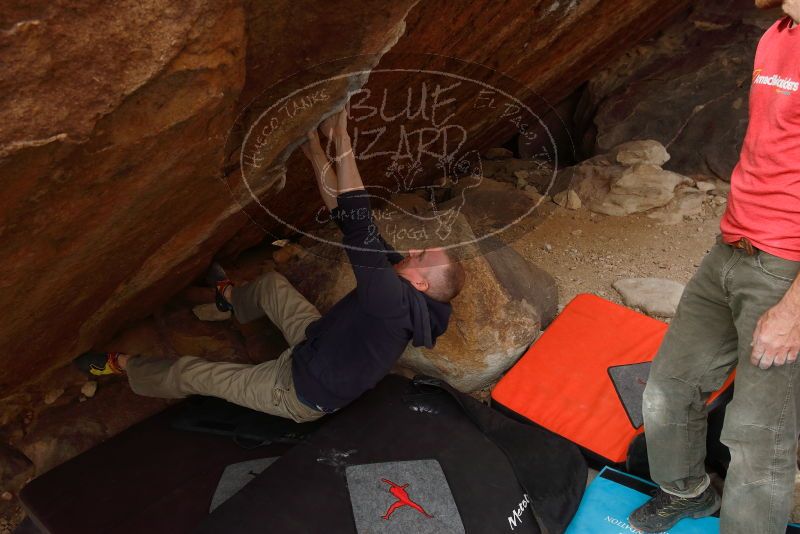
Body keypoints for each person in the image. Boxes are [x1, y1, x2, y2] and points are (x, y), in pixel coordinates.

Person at [76, 107, 465, 422]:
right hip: (317, 343)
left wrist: (342, 139)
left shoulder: (391, 305)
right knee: (270, 287)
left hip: (297, 389)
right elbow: (347, 219)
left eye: (421, 257)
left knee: (190, 372)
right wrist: (314, 149)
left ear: (422, 285)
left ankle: (122, 366)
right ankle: (232, 300)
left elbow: (361, 226)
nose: (412, 252)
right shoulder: (409, 289)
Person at [629, 2, 800, 532]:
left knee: (757, 437)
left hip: (784, 268)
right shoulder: (777, 33)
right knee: (669, 386)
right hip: (732, 246)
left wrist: (794, 309)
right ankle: (689, 492)